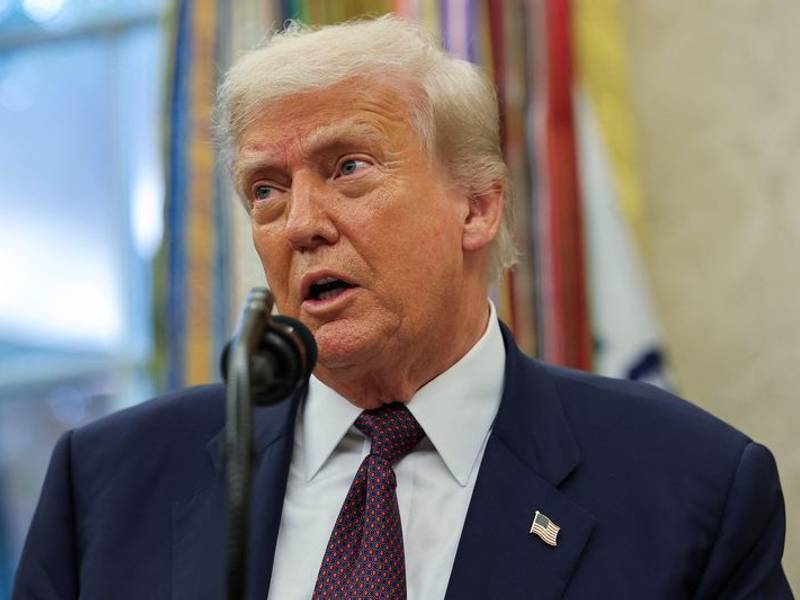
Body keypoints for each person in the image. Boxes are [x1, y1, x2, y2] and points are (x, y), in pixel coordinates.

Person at [13, 16, 793, 600]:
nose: (301, 224)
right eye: (266, 189)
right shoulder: (108, 484)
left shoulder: (689, 488)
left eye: (348, 167)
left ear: (476, 207)